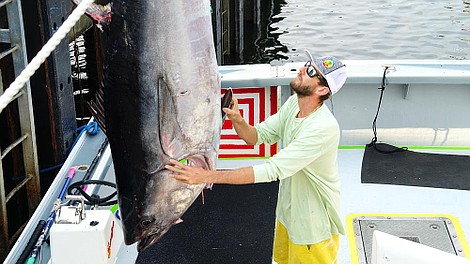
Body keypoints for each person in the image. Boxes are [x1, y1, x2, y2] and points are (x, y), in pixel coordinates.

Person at [165, 49, 347, 264]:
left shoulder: (322, 128)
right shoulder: (293, 105)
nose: (301, 70)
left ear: (323, 89)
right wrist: (238, 119)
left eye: (309, 71)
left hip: (314, 227)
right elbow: (258, 136)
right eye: (306, 64)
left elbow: (271, 170)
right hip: (288, 213)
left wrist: (205, 176)